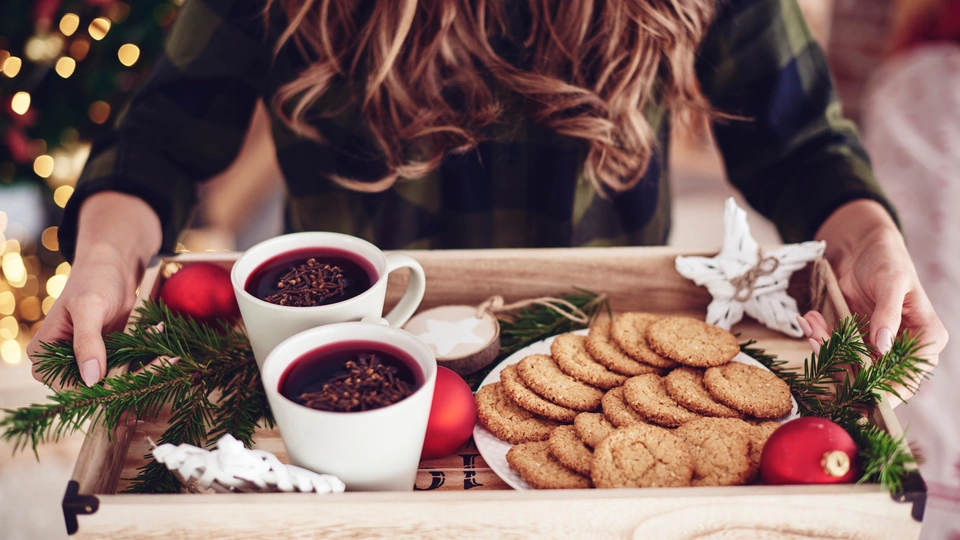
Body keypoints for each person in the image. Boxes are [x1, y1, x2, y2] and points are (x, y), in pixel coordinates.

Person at [29, 0, 946, 388]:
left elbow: (800, 143)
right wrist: (106, 257)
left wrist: (865, 235)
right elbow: (159, 139)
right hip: (347, 348)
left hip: (604, 352)